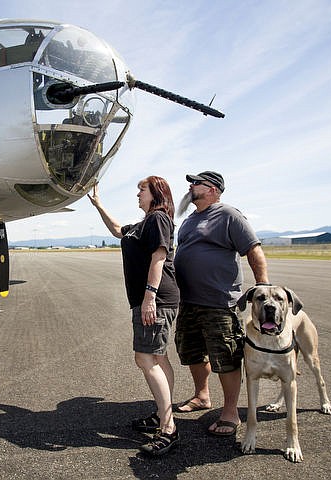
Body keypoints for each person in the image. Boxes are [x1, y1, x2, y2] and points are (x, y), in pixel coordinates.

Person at [88, 177, 181, 456]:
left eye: (142, 189)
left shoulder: (158, 219)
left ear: (156, 194)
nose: (138, 194)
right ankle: (161, 414)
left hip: (156, 298)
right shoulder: (143, 224)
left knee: (145, 358)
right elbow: (118, 230)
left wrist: (149, 297)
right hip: (151, 299)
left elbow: (159, 257)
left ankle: (168, 429)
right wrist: (98, 205)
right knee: (158, 357)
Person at [173, 171, 268, 437]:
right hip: (188, 300)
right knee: (191, 352)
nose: (191, 187)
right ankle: (202, 396)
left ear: (213, 189)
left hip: (219, 301)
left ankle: (230, 412)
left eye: (196, 183)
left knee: (225, 355)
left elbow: (253, 249)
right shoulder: (189, 220)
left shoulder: (228, 215)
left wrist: (263, 286)